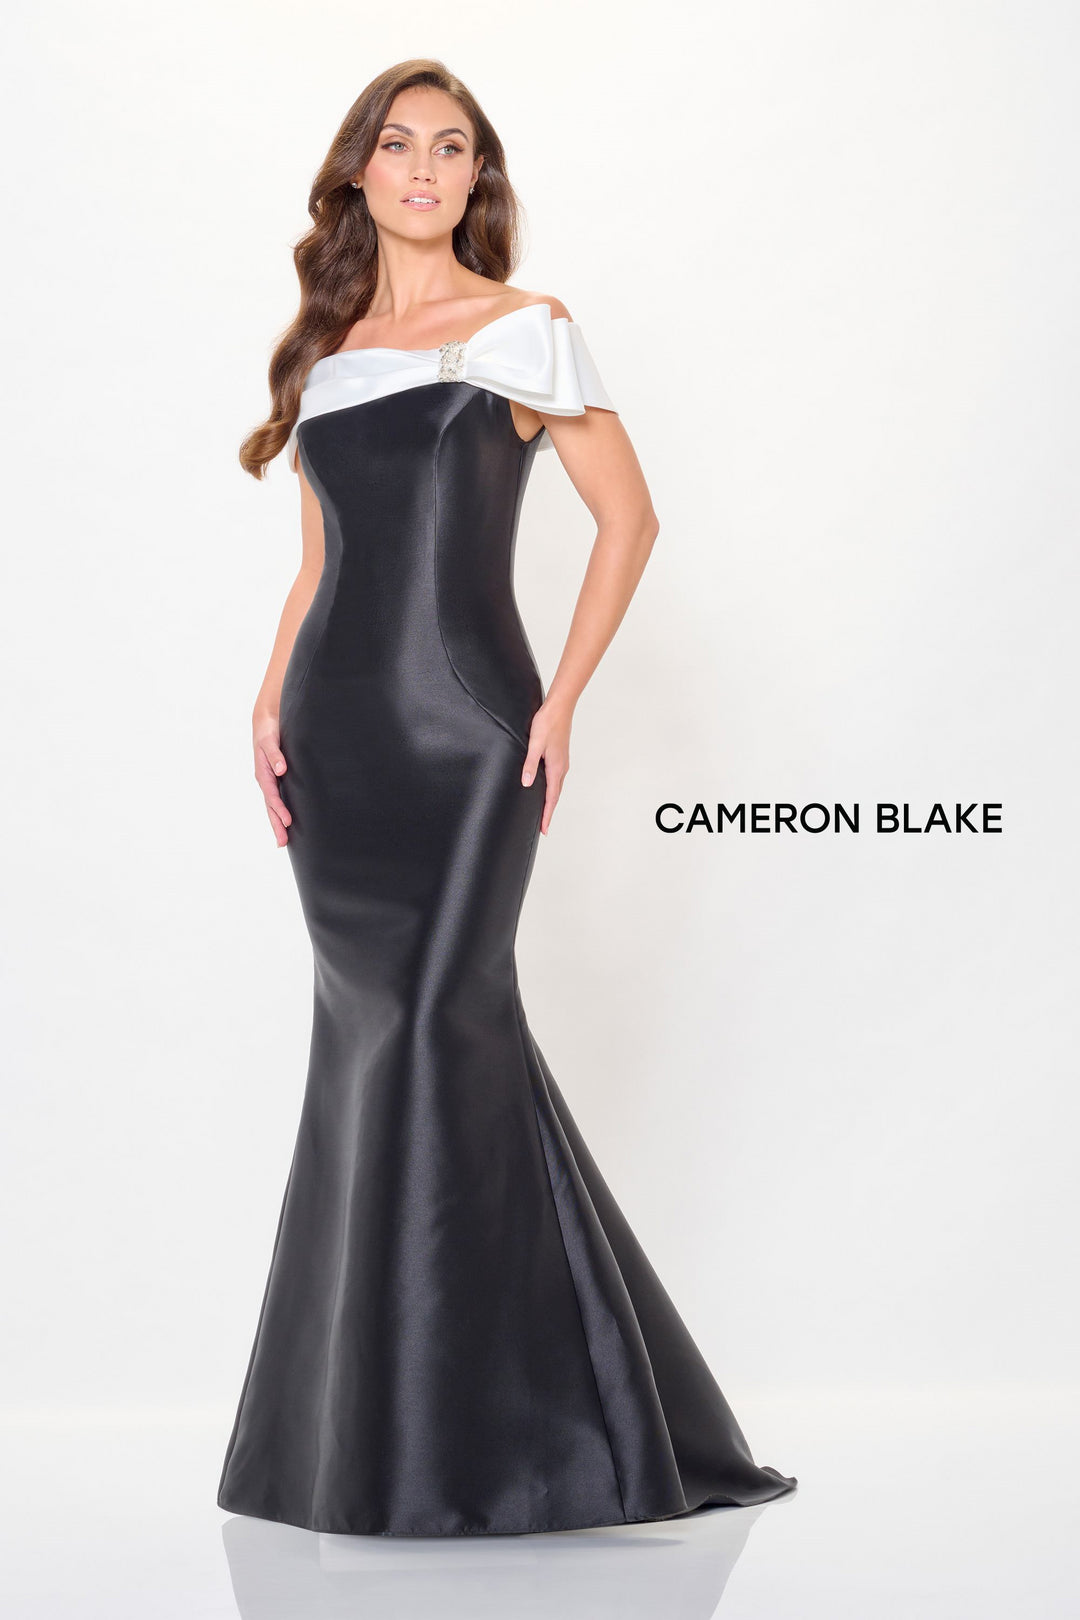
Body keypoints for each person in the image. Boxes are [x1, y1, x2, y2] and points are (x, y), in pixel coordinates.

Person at [217, 58, 797, 1538]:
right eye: (398, 144)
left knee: (434, 1026)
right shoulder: (327, 352)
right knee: (376, 1050)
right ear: (358, 172)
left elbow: (629, 520)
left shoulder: (526, 330)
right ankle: (370, 1439)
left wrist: (561, 700)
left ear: (479, 177)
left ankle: (467, 1450)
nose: (425, 167)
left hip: (472, 730)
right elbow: (317, 564)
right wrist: (269, 702)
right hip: (338, 740)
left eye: (453, 147)